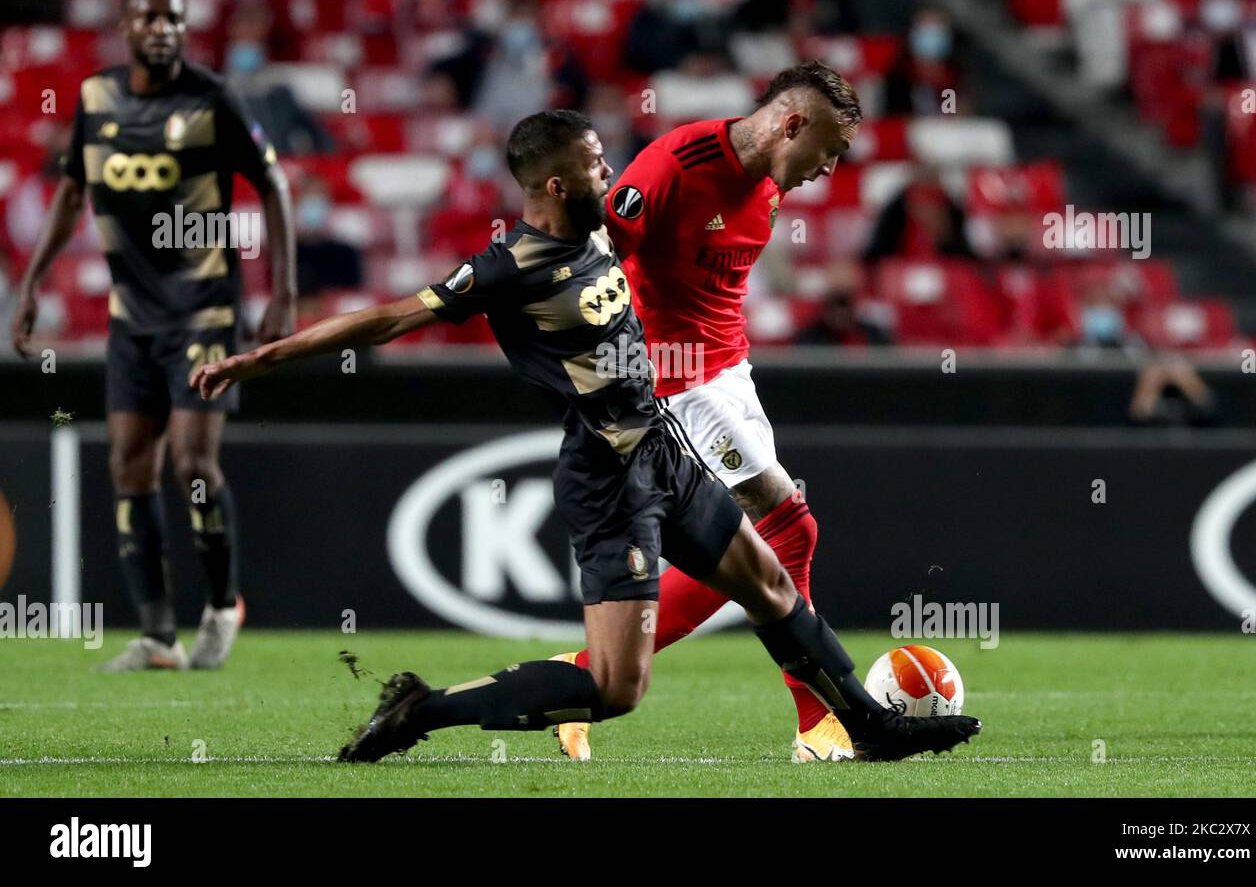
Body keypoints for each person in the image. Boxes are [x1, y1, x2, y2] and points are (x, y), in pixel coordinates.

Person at [190, 110, 981, 763]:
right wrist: (264, 358)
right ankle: (423, 709)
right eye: (600, 165)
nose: (614, 176)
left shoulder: (599, 231)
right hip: (609, 478)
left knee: (772, 580)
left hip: (664, 446)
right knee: (615, 690)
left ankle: (872, 728)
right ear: (559, 184)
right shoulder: (511, 267)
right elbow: (391, 316)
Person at [554, 61, 872, 763]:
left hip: (730, 372)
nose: (830, 168)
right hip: (675, 379)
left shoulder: (768, 190)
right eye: (831, 149)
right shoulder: (677, 161)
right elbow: (597, 261)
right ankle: (820, 722)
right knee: (791, 526)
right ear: (793, 123)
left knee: (757, 550)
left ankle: (579, 677)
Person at [9, 0, 297, 671]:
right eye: (149, 17)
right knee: (128, 467)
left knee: (192, 464)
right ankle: (159, 635)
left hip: (203, 309)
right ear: (125, 25)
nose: (163, 28)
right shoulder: (96, 97)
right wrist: (31, 282)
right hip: (130, 317)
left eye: (174, 17)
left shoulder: (212, 96)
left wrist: (283, 291)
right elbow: (73, 190)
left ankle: (223, 604)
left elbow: (274, 184)